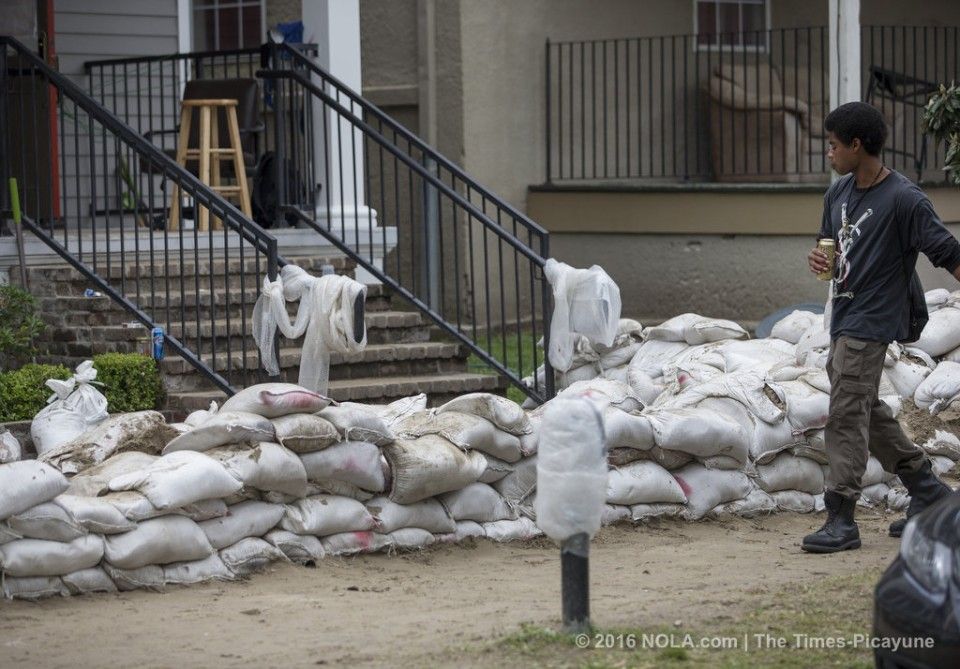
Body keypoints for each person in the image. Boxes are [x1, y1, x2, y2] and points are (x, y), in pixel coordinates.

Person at [803, 101, 960, 554]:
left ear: (857, 145)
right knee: (864, 408)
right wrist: (818, 258)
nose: (829, 154)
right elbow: (826, 245)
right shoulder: (838, 194)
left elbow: (947, 252)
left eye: (833, 146)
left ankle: (841, 516)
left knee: (846, 413)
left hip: (873, 319)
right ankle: (928, 493)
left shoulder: (905, 199)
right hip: (843, 314)